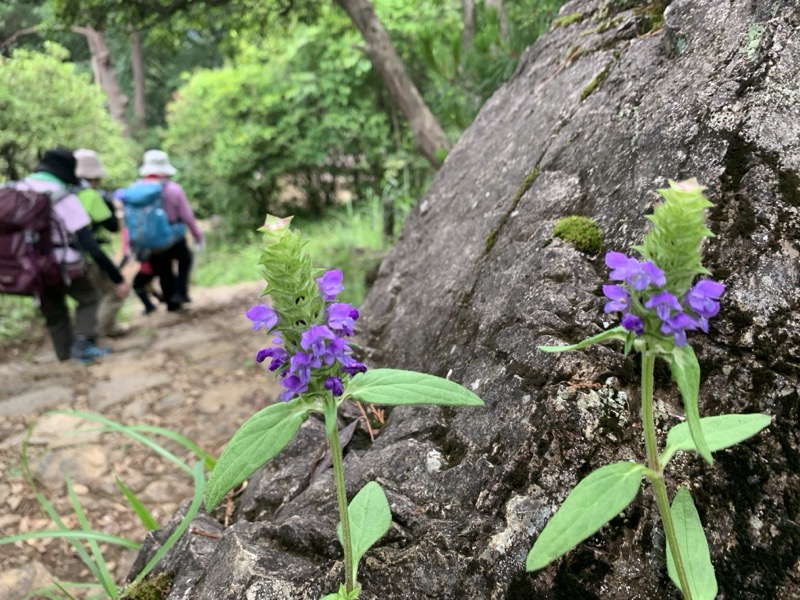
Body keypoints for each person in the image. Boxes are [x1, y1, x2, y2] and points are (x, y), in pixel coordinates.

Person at [22, 148, 128, 363]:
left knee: (54, 311)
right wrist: (117, 276)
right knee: (90, 298)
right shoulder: (63, 195)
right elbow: (89, 244)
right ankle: (82, 347)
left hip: (28, 266)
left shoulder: (18, 189)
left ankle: (64, 357)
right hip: (64, 265)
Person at [135, 150, 203, 312]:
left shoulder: (137, 190)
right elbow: (187, 215)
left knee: (163, 271)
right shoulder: (174, 189)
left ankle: (172, 303)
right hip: (174, 236)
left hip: (151, 240)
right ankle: (181, 291)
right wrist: (197, 235)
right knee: (184, 259)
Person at [74, 149, 127, 338]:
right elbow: (112, 225)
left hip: (71, 257)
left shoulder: (66, 194)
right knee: (114, 293)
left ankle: (110, 329)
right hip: (94, 254)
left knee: (95, 295)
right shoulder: (92, 195)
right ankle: (96, 335)